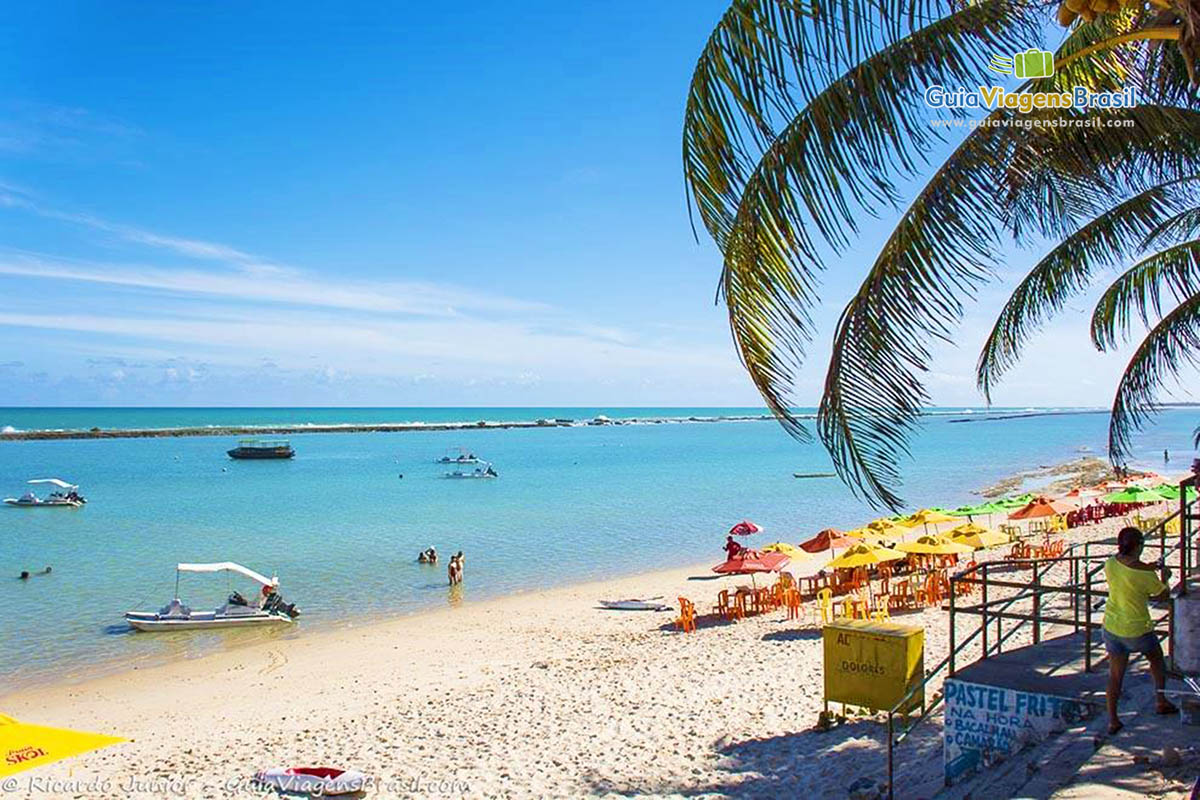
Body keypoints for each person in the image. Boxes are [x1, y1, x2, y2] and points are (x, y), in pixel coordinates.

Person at [1103, 526, 1177, 734]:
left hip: (1111, 626)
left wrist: (1149, 567)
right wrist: (1165, 577)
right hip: (1137, 627)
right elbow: (1162, 595)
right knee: (1156, 659)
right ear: (1138, 546)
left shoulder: (1111, 563)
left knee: (1115, 676)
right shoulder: (1145, 576)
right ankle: (1161, 700)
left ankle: (1113, 720)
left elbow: (1130, 570)